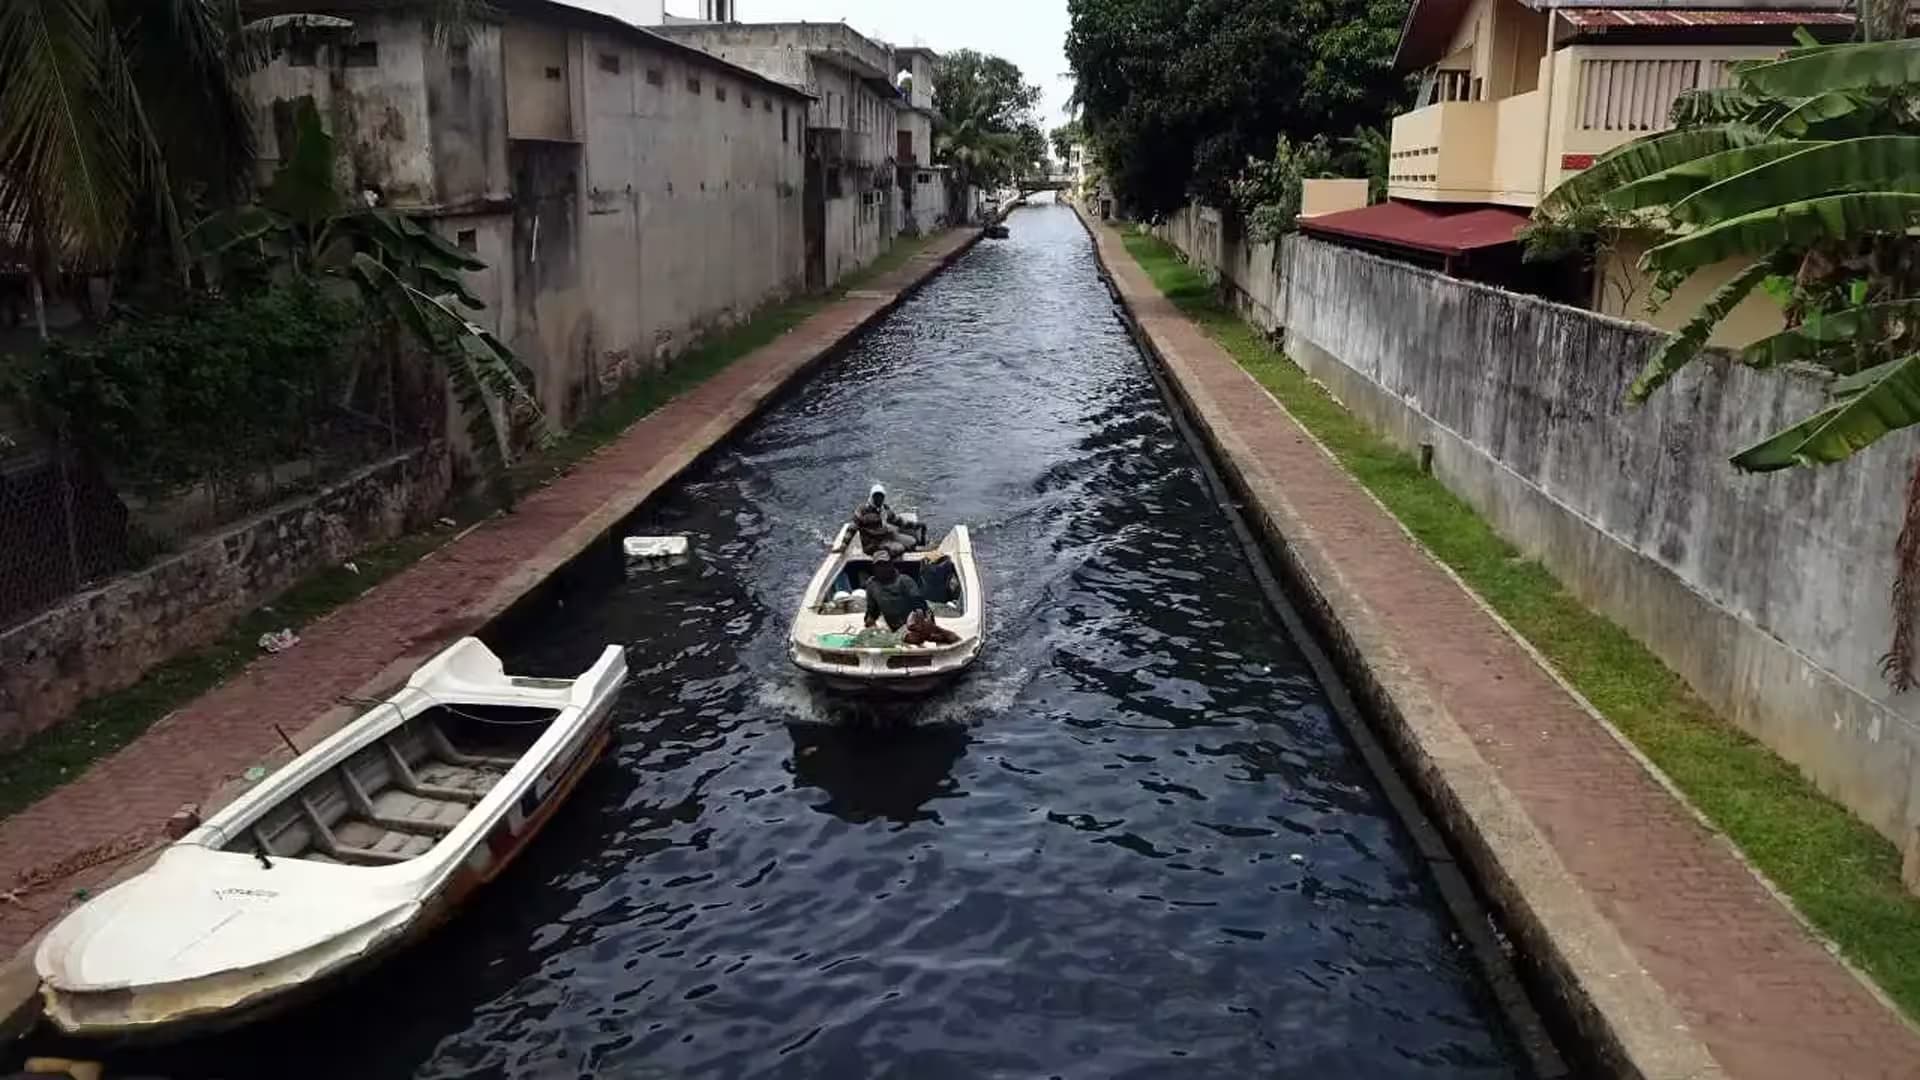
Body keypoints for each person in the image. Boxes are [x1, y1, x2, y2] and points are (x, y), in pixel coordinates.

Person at [863, 551, 926, 632]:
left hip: (913, 625)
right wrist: (870, 621)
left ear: (891, 564)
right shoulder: (872, 585)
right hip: (893, 627)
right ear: (874, 567)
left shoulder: (905, 581)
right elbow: (872, 610)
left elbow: (920, 605)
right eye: (879, 565)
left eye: (885, 564)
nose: (883, 568)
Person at [852, 484, 924, 556]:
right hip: (872, 543)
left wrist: (916, 525)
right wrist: (843, 545)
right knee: (899, 548)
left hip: (886, 537)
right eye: (876, 496)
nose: (879, 499)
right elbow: (852, 528)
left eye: (881, 496)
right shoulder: (862, 510)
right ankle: (881, 559)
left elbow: (899, 522)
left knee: (912, 542)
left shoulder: (885, 509)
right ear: (871, 497)